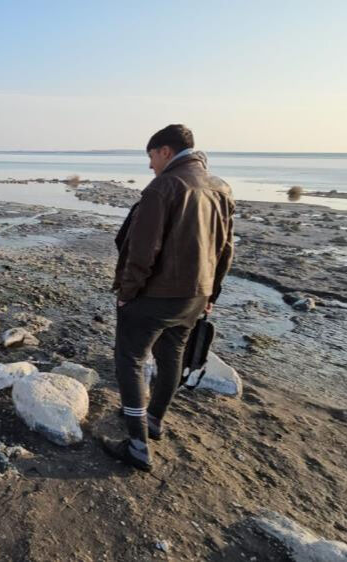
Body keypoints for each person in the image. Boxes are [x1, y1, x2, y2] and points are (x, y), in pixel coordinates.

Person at [101, 124, 235, 471]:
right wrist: (211, 294)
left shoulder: (165, 186)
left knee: (129, 360)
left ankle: (137, 444)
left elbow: (143, 250)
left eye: (150, 157)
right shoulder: (220, 188)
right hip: (195, 295)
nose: (150, 166)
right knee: (171, 356)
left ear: (164, 151)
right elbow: (225, 249)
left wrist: (127, 293)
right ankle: (155, 420)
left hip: (156, 294)